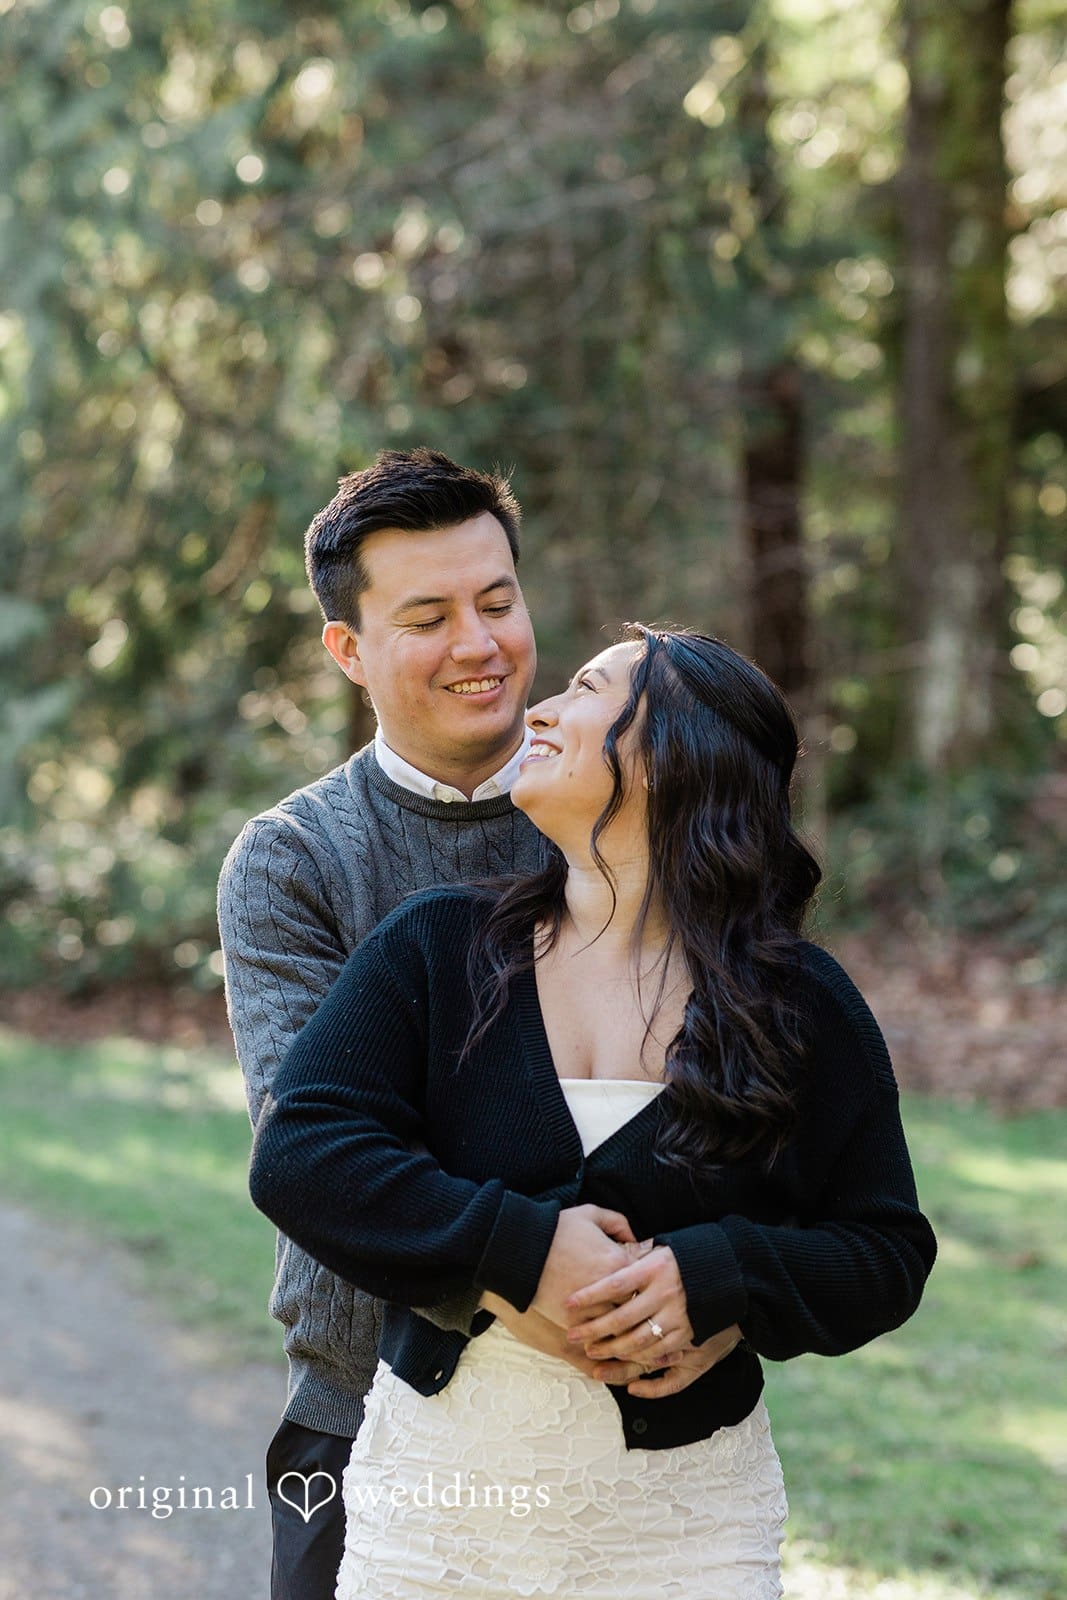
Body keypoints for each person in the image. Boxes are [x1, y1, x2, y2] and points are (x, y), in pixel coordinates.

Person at [249, 625, 937, 1599]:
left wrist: (720, 1273)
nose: (538, 708)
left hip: (684, 1530)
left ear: (675, 754)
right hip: (438, 1517)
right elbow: (301, 1153)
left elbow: (884, 1250)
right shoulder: (436, 949)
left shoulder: (795, 1001)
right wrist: (516, 1245)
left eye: (585, 689)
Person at [218, 454, 725, 1599]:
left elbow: (728, 1118)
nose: (479, 644)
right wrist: (536, 1266)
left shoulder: (635, 821)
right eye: (428, 617)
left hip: (642, 1410)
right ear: (347, 650)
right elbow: (319, 1155)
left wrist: (704, 1287)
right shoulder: (295, 862)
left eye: (497, 602)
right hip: (359, 1405)